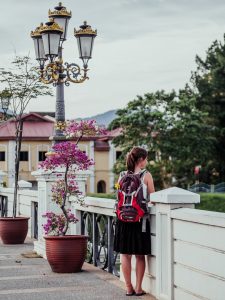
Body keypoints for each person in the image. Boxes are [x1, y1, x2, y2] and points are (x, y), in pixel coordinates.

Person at [114, 146, 155, 296]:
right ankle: (138, 288)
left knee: (125, 254)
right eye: (146, 158)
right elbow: (153, 198)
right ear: (141, 160)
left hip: (123, 219)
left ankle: (128, 288)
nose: (147, 161)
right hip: (140, 221)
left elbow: (118, 196)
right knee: (139, 255)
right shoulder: (146, 176)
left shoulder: (122, 175)